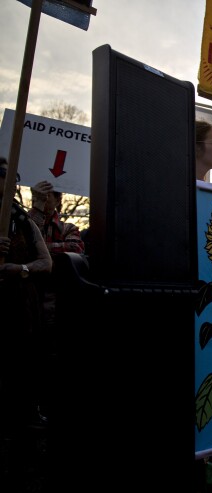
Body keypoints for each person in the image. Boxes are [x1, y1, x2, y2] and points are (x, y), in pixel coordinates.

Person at [0, 157, 53, 446]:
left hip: (19, 306)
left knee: (22, 363)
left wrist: (20, 269)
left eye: (10, 176)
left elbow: (45, 262)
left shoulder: (21, 220)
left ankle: (24, 415)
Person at [27, 181, 85, 422]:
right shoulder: (26, 221)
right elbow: (23, 245)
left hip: (54, 301)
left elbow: (74, 250)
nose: (46, 199)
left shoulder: (69, 227)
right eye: (42, 195)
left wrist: (39, 253)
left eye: (50, 195)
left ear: (59, 200)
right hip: (28, 297)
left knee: (51, 354)